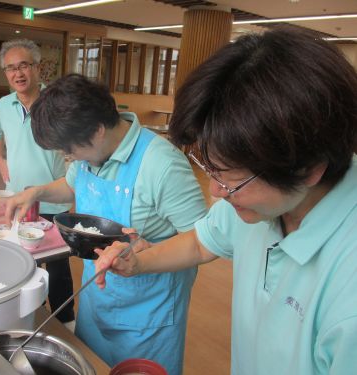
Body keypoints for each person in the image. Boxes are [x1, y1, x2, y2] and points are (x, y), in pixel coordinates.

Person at [95, 27, 357, 375]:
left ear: (310, 168)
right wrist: (139, 263)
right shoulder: (256, 204)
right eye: (210, 168)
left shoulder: (347, 294)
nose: (216, 190)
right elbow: (202, 242)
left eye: (231, 177)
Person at [6, 73, 207, 375]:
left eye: (69, 150)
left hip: (146, 314)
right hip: (97, 295)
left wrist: (144, 255)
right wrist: (38, 191)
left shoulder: (162, 165)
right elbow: (74, 186)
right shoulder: (90, 156)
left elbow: (202, 240)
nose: (67, 157)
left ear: (98, 130)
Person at [0, 39, 75, 328]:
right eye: (11, 68)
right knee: (25, 260)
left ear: (37, 68)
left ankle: (66, 320)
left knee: (58, 263)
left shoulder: (57, 104)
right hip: (18, 198)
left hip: (54, 198)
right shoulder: (2, 106)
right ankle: (33, 318)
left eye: (24, 65)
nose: (18, 73)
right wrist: (1, 163)